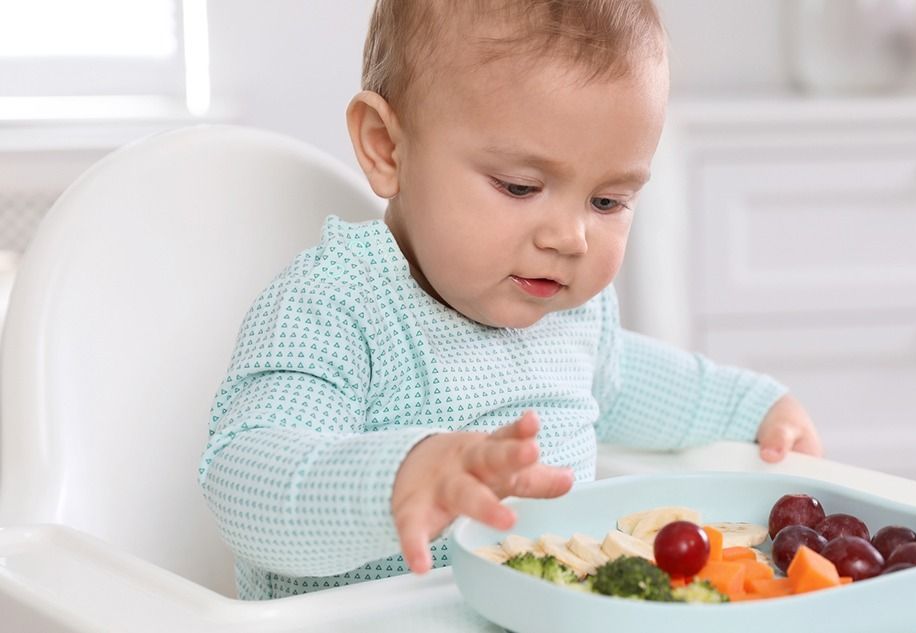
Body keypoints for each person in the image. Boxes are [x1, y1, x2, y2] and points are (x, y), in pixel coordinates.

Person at [198, 0, 822, 600]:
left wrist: (754, 406)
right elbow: (246, 478)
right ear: (388, 148)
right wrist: (397, 480)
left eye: (607, 201)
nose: (570, 237)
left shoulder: (571, 314)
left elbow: (632, 381)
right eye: (521, 186)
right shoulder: (335, 306)